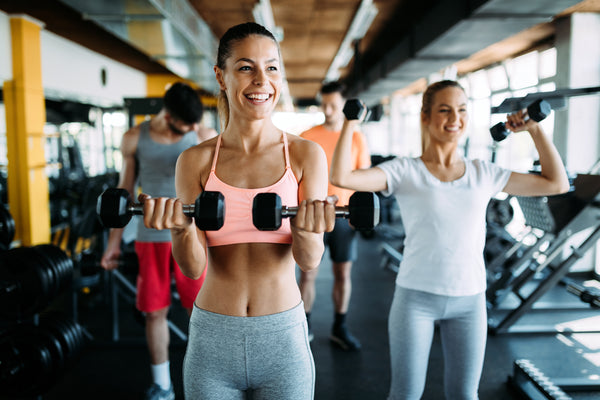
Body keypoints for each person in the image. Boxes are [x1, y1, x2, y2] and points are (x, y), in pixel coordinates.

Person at [330, 80, 569, 399]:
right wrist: (350, 123)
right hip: (415, 300)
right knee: (404, 395)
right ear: (426, 117)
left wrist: (535, 130)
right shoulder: (405, 171)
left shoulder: (484, 172)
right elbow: (342, 177)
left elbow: (556, 184)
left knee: (465, 395)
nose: (454, 118)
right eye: (444, 110)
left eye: (461, 110)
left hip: (469, 302)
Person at [140, 22, 335, 399]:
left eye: (272, 67)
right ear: (222, 76)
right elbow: (193, 267)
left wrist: (309, 230)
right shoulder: (193, 161)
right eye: (246, 67)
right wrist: (179, 229)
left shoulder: (304, 154)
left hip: (282, 338)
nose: (262, 80)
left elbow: (308, 261)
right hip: (214, 337)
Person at [100, 82, 211, 400]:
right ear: (167, 113)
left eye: (195, 123)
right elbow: (124, 192)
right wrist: (112, 244)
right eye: (185, 124)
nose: (192, 129)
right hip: (150, 236)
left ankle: (204, 377)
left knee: (202, 311)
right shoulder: (135, 137)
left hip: (192, 235)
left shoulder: (201, 135)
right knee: (154, 311)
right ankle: (163, 384)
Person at [298, 81, 370, 350]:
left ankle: (340, 327)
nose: (328, 110)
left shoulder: (356, 137)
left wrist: (358, 212)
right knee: (308, 275)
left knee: (343, 274)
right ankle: (304, 327)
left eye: (333, 104)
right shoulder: (307, 135)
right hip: (315, 216)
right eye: (324, 104)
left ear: (343, 105)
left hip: (344, 216)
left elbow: (364, 176)